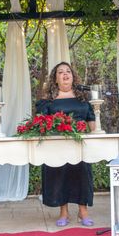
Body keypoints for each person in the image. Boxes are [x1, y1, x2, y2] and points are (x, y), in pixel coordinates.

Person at [36, 62, 96, 227]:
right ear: (55, 79)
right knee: (60, 176)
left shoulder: (83, 99)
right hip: (57, 145)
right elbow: (41, 123)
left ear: (73, 76)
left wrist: (94, 137)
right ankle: (64, 212)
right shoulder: (48, 101)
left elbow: (92, 121)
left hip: (79, 144)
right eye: (60, 72)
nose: (65, 74)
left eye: (68, 71)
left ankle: (83, 211)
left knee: (82, 175)